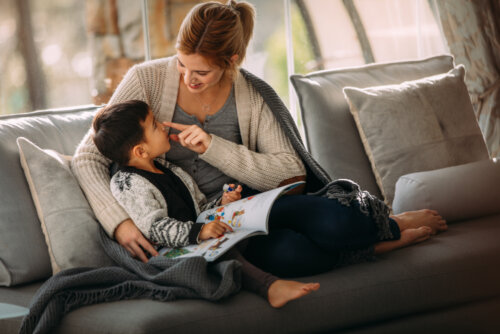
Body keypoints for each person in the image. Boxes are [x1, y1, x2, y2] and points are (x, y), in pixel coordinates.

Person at [72, 1, 447, 278]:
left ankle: (384, 225)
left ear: (231, 60)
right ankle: (374, 244)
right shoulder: (146, 81)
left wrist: (214, 148)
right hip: (206, 226)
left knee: (338, 223)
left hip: (249, 206)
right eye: (181, 64)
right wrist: (118, 222)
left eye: (201, 72)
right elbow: (88, 157)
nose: (187, 78)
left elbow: (290, 171)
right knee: (290, 256)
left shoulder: (251, 94)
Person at [91, 99, 320, 308]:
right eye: (154, 125)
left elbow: (199, 209)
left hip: (198, 235)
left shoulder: (167, 168)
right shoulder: (127, 182)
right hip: (171, 251)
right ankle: (269, 286)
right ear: (140, 151)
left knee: (263, 219)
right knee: (226, 254)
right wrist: (199, 232)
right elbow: (156, 228)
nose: (162, 126)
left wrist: (222, 202)